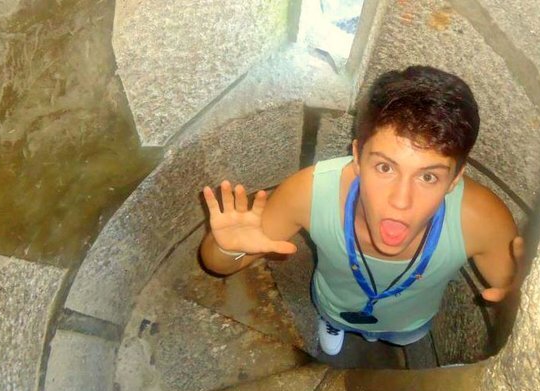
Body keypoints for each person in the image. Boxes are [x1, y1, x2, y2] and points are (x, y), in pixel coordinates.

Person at [200, 65, 522, 356]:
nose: (401, 201)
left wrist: (529, 301)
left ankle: (400, 334)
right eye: (385, 167)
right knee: (333, 316)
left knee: (407, 335)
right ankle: (333, 323)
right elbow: (219, 265)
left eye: (428, 177)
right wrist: (226, 248)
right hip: (334, 305)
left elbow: (512, 289)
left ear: (454, 179)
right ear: (357, 157)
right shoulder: (309, 194)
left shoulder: (482, 221)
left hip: (411, 321)